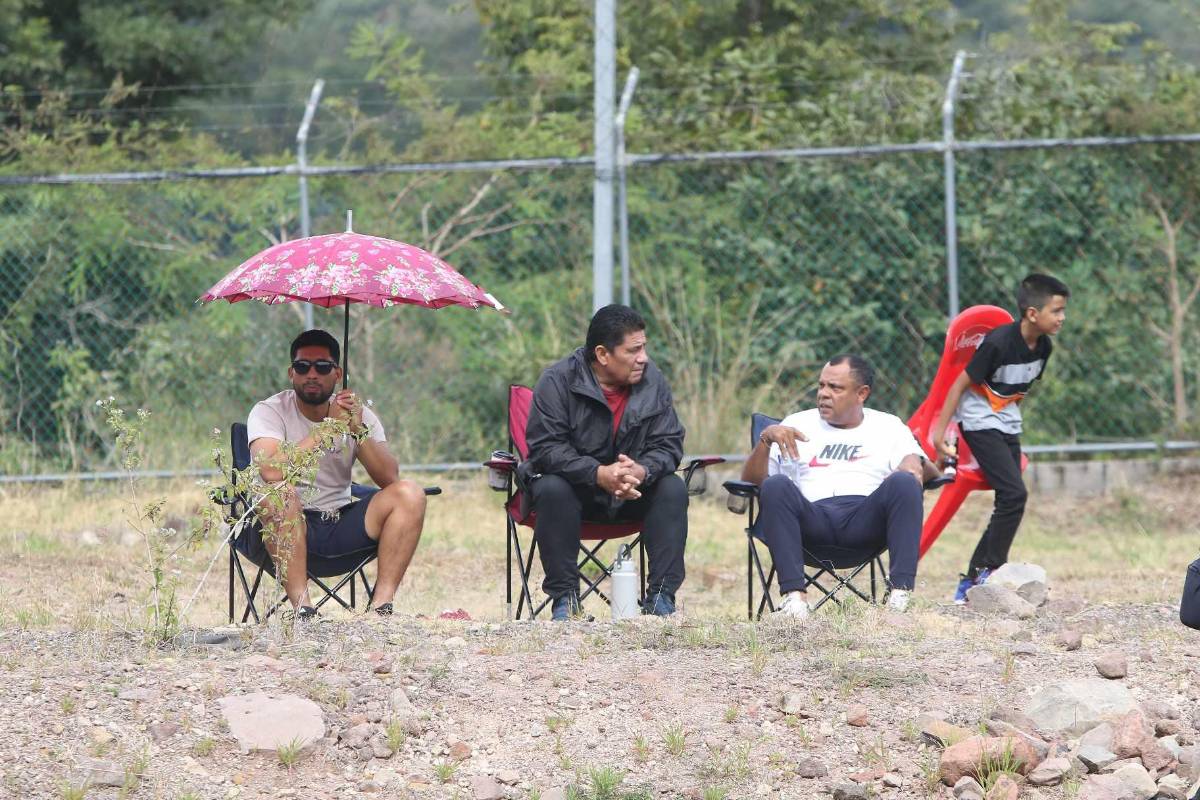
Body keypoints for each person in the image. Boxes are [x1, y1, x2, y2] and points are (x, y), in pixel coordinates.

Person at [521, 304, 688, 620]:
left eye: (644, 348)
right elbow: (545, 449)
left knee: (672, 487)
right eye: (634, 350)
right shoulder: (557, 381)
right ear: (602, 354)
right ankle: (565, 600)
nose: (644, 358)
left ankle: (661, 598)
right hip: (576, 496)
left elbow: (668, 444)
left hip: (633, 494)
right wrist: (598, 473)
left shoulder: (653, 381)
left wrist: (640, 470)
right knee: (551, 487)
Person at [246, 329, 427, 618]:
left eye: (323, 366)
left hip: (341, 522)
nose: (312, 374)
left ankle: (381, 608)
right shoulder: (269, 411)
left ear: (337, 373)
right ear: (291, 373)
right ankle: (303, 610)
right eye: (303, 367)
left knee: (410, 493)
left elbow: (389, 479)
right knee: (280, 493)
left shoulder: (359, 415)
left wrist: (356, 429)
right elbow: (270, 470)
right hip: (283, 526)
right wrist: (328, 429)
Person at [741, 354, 927, 618]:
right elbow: (749, 482)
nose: (824, 394)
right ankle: (795, 601)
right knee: (776, 485)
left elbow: (920, 469)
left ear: (862, 393)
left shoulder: (889, 426)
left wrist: (912, 461)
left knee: (904, 482)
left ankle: (899, 596)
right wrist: (765, 440)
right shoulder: (796, 423)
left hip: (866, 524)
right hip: (809, 525)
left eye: (835, 388)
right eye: (821, 386)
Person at [931, 273, 1069, 603]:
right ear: (1032, 314)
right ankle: (988, 571)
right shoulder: (997, 342)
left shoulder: (1044, 347)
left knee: (1010, 499)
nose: (1062, 318)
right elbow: (959, 385)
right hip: (979, 422)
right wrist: (940, 434)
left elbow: (1015, 391)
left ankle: (972, 580)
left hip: (1007, 421)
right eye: (1056, 311)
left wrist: (1007, 417)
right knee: (1013, 495)